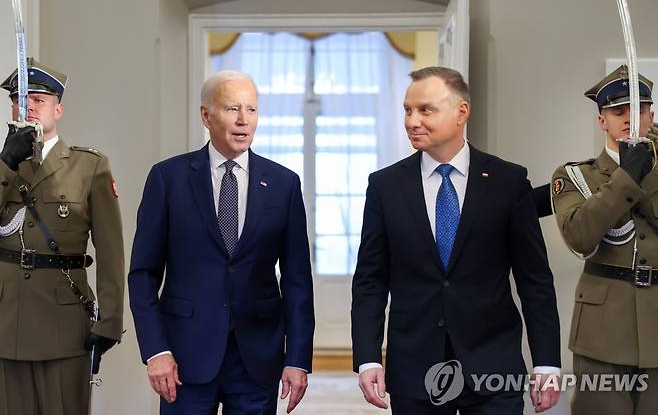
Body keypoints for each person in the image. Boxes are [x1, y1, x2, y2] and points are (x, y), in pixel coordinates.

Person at [351, 66, 561, 414]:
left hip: (494, 369)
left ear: (461, 112)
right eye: (407, 110)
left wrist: (547, 363)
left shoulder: (508, 181)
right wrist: (368, 358)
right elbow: (370, 280)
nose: (412, 121)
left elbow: (535, 280)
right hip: (415, 369)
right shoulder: (385, 186)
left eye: (425, 110)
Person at [129, 70, 315, 415]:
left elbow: (297, 280)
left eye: (252, 110)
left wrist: (298, 358)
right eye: (232, 109)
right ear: (206, 115)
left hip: (257, 357)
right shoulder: (167, 179)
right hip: (184, 358)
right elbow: (142, 274)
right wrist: (155, 351)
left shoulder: (283, 183)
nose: (244, 120)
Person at [0, 58, 124, 415]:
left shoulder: (89, 166)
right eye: (20, 100)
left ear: (59, 108)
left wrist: (110, 320)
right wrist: (6, 163)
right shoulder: (3, 166)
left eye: (39, 99)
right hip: (7, 321)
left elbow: (111, 250)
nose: (29, 107)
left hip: (63, 323)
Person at [551, 65, 658, 414]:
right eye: (618, 110)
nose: (630, 118)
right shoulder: (575, 176)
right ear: (602, 121)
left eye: (638, 109)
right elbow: (580, 235)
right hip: (603, 335)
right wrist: (627, 176)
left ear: (651, 114)